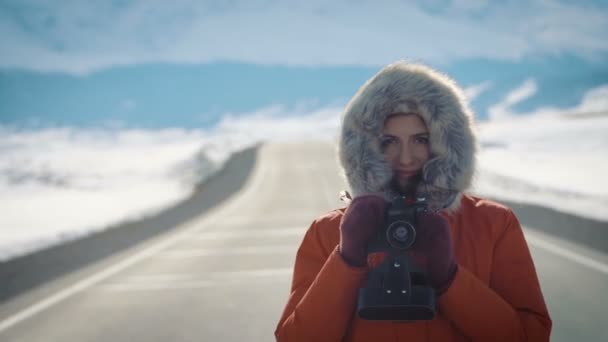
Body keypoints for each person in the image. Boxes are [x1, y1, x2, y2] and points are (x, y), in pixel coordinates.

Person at [274, 61, 552, 341]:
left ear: (447, 143)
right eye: (388, 141)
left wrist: (450, 278)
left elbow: (531, 336)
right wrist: (346, 261)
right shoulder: (329, 231)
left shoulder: (493, 224)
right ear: (363, 147)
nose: (406, 157)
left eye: (420, 139)